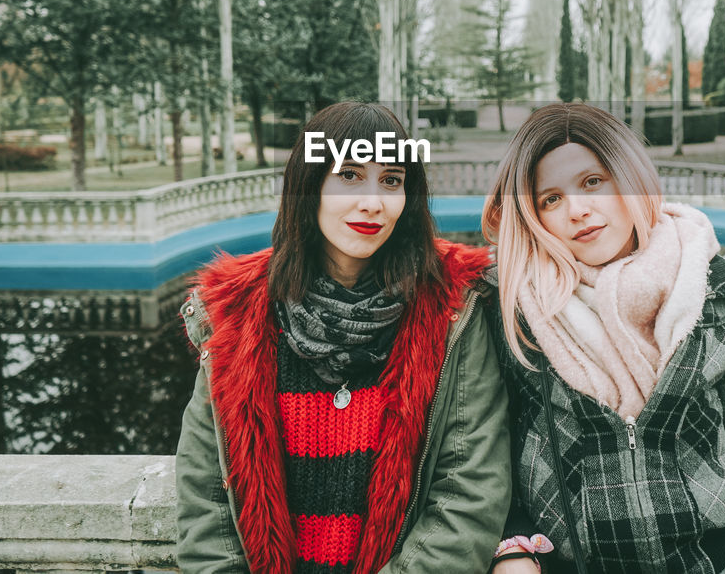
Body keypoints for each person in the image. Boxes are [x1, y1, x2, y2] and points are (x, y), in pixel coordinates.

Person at [481, 103, 725, 574]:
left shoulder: (716, 291)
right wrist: (514, 545)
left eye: (592, 182)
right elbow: (492, 455)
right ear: (534, 215)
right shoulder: (513, 306)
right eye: (551, 199)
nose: (578, 211)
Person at [175, 101, 510, 574]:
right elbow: (206, 493)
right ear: (308, 186)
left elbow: (468, 487)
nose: (372, 201)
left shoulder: (452, 305)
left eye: (391, 180)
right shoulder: (237, 312)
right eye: (350, 175)